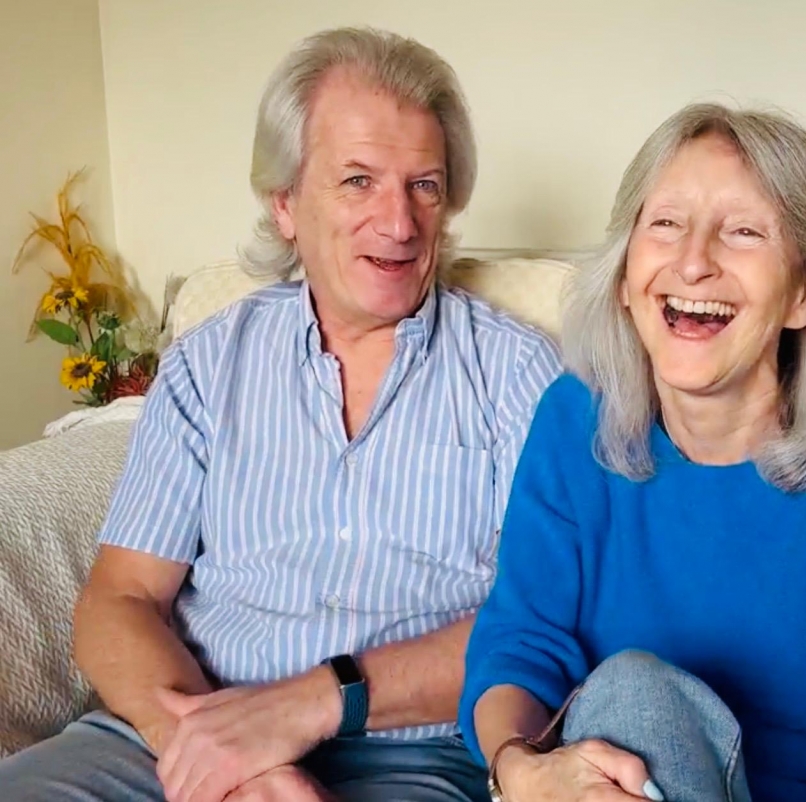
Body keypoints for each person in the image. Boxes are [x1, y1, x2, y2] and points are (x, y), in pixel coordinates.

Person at [0, 27, 560, 802]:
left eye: (424, 186)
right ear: (286, 203)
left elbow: (540, 624)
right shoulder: (207, 365)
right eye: (358, 181)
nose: (400, 223)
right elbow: (119, 599)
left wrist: (314, 703)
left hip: (408, 756)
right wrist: (229, 758)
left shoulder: (518, 373)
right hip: (182, 727)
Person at [459, 103, 806, 802]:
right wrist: (519, 772)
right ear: (624, 278)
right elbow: (519, 649)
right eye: (666, 224)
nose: (693, 261)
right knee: (628, 702)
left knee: (633, 695)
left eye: (743, 232)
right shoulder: (573, 422)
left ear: (802, 293)